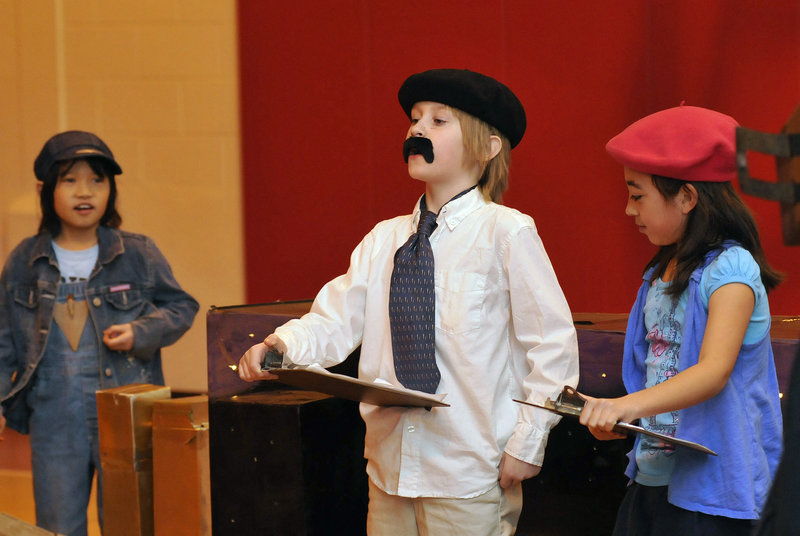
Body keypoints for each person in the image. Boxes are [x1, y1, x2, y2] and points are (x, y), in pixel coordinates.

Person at [238, 68, 579, 535]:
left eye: (439, 121)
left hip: (468, 468)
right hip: (389, 468)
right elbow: (336, 319)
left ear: (488, 147)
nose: (417, 129)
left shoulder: (507, 233)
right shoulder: (384, 239)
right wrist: (280, 347)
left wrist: (528, 442)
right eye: (415, 119)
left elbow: (552, 345)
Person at [578, 105, 783, 535]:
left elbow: (712, 371)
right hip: (652, 475)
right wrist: (618, 420)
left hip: (715, 492)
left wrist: (623, 404)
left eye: (638, 195)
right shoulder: (659, 272)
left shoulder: (732, 270)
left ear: (687, 197)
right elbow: (653, 373)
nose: (629, 209)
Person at [0, 130, 199, 536]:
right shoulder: (25, 259)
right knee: (57, 525)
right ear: (45, 189)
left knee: (131, 522)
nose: (84, 191)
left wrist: (140, 331)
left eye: (97, 179)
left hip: (125, 412)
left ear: (111, 189)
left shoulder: (137, 253)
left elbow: (182, 307)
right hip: (54, 417)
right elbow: (3, 340)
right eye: (69, 180)